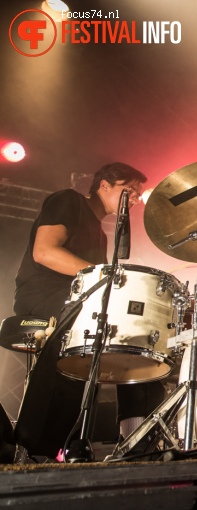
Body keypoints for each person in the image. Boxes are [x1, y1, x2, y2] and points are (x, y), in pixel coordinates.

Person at [12, 162, 165, 459]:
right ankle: (34, 445)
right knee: (75, 333)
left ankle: (134, 441)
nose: (134, 199)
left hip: (79, 300)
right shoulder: (68, 200)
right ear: (104, 185)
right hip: (42, 293)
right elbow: (44, 252)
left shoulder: (102, 235)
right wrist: (107, 275)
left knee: (138, 338)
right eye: (129, 190)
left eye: (138, 194)